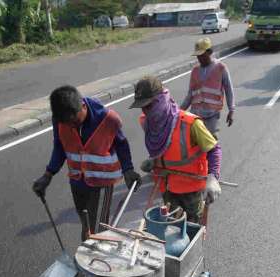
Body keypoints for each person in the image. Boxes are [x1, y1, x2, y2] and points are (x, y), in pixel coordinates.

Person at [32, 85, 141, 240]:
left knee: (97, 229)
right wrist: (48, 175)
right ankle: (89, 246)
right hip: (77, 182)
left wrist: (128, 170)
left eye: (75, 121)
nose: (72, 126)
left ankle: (95, 258)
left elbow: (122, 145)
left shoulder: (108, 118)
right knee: (87, 224)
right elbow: (60, 146)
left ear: (83, 106)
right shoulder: (60, 119)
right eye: (67, 123)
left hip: (102, 182)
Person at [131, 76, 220, 224]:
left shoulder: (190, 124)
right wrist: (153, 161)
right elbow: (163, 148)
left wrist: (213, 177)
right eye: (142, 107)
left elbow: (214, 149)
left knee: (190, 232)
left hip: (191, 190)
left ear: (160, 100)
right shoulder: (148, 122)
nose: (145, 111)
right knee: (170, 231)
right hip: (167, 189)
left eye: (149, 105)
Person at [180, 37, 234, 193]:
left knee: (210, 144)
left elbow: (229, 90)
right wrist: (180, 111)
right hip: (195, 114)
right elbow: (190, 94)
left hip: (212, 114)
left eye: (202, 55)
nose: (199, 58)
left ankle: (212, 175)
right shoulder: (195, 71)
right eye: (197, 56)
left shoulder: (221, 68)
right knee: (194, 144)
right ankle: (197, 170)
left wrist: (232, 109)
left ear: (210, 52)